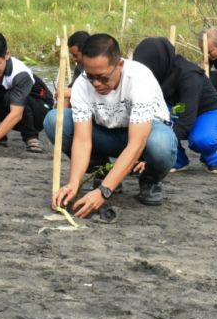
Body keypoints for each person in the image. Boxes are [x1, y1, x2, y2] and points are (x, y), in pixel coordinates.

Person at [45, 33, 176, 216]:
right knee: (54, 120)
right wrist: (74, 183)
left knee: (160, 144)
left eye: (103, 77)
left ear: (119, 65)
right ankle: (101, 169)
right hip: (107, 135)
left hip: (144, 137)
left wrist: (104, 191)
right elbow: (82, 140)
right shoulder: (83, 84)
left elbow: (137, 143)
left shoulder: (139, 79)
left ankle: (150, 179)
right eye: (91, 77)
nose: (96, 83)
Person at [134, 37, 217, 173]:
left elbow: (186, 119)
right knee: (152, 123)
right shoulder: (153, 76)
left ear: (160, 61)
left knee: (201, 140)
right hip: (178, 109)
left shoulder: (190, 76)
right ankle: (178, 161)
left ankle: (212, 156)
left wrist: (162, 144)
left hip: (208, 112)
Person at [58, 30, 89, 107]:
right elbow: (72, 87)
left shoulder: (100, 68)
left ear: (86, 51)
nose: (74, 59)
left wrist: (71, 92)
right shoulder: (79, 67)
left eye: (76, 55)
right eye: (72, 56)